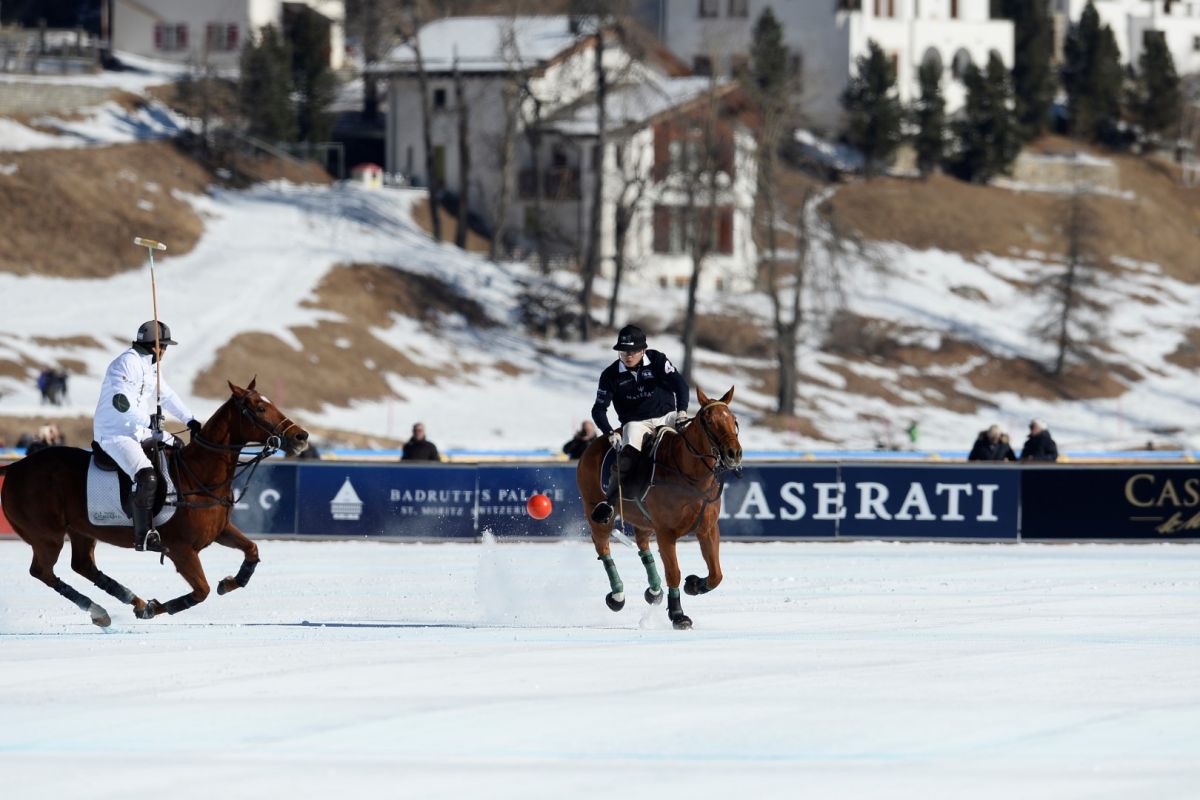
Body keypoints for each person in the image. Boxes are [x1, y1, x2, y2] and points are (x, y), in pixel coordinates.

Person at [93, 321, 201, 552]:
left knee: (178, 447)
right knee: (146, 476)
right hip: (115, 433)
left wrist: (190, 420)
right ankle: (143, 536)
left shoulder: (151, 366)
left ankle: (175, 516)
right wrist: (148, 421)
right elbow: (119, 403)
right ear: (156, 346)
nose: (165, 351)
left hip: (139, 429)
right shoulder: (125, 363)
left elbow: (167, 395)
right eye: (165, 346)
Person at [589, 324, 689, 525]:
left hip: (666, 416)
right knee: (628, 455)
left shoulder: (657, 360)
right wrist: (610, 433)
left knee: (695, 436)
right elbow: (598, 410)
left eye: (633, 351)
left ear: (643, 349)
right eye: (624, 351)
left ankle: (714, 473)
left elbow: (680, 384)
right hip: (636, 423)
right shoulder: (610, 375)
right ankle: (610, 502)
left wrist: (682, 412)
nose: (628, 355)